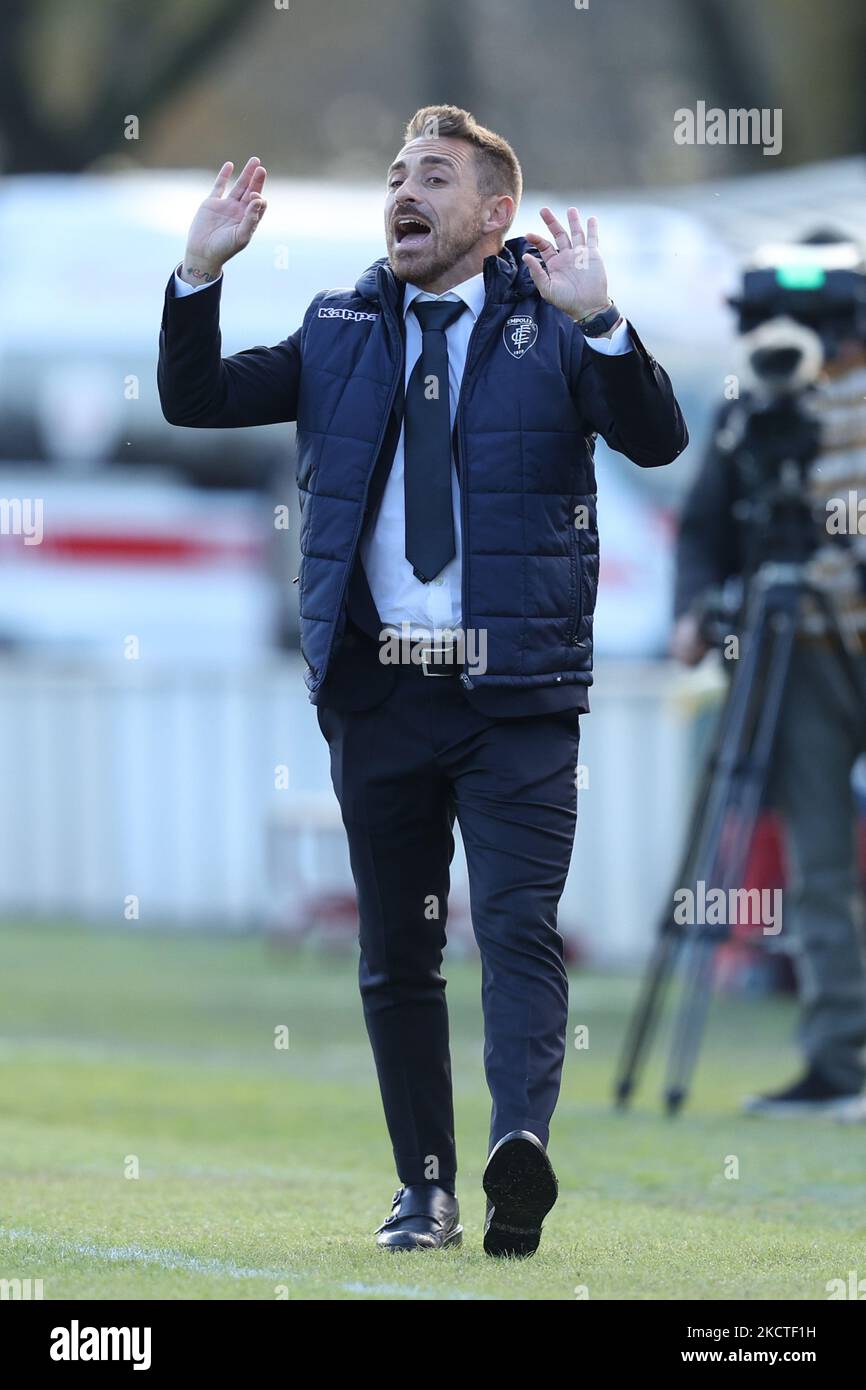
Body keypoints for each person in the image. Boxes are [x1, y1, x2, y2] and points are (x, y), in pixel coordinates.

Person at [159, 105, 687, 1254]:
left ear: (495, 215)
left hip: (518, 694)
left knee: (512, 925)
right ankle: (425, 1187)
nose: (404, 191)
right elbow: (194, 402)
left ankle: (519, 1150)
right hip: (379, 692)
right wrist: (197, 272)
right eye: (396, 174)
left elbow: (657, 440)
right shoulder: (338, 324)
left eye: (433, 176)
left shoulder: (551, 325)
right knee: (398, 949)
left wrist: (600, 318)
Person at [672, 233, 866, 1119]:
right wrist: (692, 610)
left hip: (833, 631)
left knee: (822, 864)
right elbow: (705, 520)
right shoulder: (752, 400)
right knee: (818, 861)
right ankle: (837, 1062)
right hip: (802, 649)